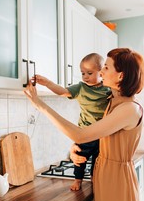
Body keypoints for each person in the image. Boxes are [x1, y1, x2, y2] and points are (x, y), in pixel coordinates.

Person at [24, 48, 144, 201]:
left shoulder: (129, 109)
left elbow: (81, 135)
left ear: (120, 76)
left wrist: (40, 105)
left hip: (116, 182)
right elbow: (97, 137)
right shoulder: (113, 102)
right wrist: (74, 148)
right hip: (104, 175)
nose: (101, 72)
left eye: (106, 67)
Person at [33, 53, 111, 191]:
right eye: (82, 73)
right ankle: (78, 180)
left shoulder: (108, 89)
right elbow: (63, 92)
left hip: (103, 135)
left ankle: (94, 179)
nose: (85, 76)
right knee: (79, 158)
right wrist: (48, 83)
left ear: (101, 72)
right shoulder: (81, 88)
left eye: (89, 73)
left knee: (97, 163)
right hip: (85, 133)